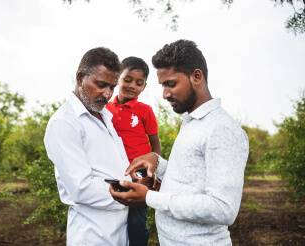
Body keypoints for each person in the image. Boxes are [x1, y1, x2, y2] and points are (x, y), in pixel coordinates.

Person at [110, 39, 249, 246]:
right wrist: (156, 163)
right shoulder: (192, 123)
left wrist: (149, 198)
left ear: (196, 76)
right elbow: (190, 179)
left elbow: (223, 208)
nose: (165, 94)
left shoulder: (221, 128)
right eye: (163, 85)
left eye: (171, 84)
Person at [44, 47, 132, 246]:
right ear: (80, 77)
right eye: (101, 85)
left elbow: (114, 168)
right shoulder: (64, 123)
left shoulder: (106, 116)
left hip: (121, 232)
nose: (107, 94)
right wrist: (131, 194)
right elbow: (81, 188)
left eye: (112, 87)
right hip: (92, 236)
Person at [105, 56, 161, 246]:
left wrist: (151, 171)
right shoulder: (105, 109)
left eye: (139, 83)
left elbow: (155, 144)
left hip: (139, 171)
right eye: (127, 79)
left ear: (144, 87)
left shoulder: (145, 110)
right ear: (117, 78)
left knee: (137, 219)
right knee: (115, 213)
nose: (132, 86)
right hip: (115, 168)